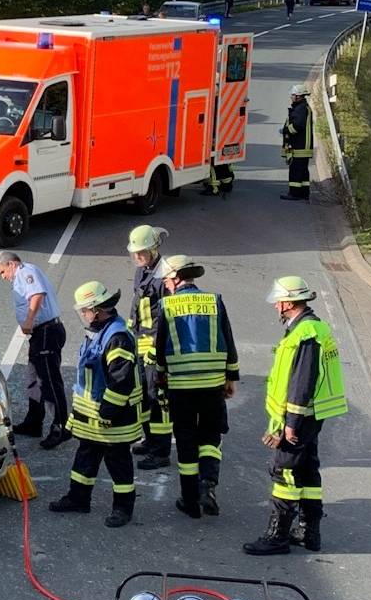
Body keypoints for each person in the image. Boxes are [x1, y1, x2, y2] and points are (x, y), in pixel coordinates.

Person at [243, 276, 347, 556]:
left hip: (301, 416)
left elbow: (301, 383)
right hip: (310, 415)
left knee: (285, 470)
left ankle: (277, 536)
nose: (276, 305)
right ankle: (309, 533)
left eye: (279, 301)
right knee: (306, 470)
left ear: (289, 302)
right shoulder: (311, 328)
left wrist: (291, 424)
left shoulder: (305, 334)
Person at [150, 254, 238, 518]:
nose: (165, 284)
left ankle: (190, 502)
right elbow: (228, 340)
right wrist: (230, 377)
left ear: (176, 278)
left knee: (186, 439)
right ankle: (208, 486)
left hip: (181, 386)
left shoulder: (167, 305)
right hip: (212, 384)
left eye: (166, 279)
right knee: (211, 436)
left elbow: (160, 346)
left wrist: (161, 375)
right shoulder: (214, 300)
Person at [48, 281, 142, 527]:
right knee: (85, 459)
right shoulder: (99, 331)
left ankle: (123, 509)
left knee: (118, 465)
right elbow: (87, 383)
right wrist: (73, 421)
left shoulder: (117, 337)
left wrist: (107, 413)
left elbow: (121, 381)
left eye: (84, 310)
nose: (82, 315)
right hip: (93, 420)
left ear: (96, 310)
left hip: (112, 420)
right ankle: (78, 499)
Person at [0, 251, 69, 450]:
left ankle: (61, 426)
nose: (4, 277)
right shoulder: (20, 276)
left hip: (47, 331)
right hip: (40, 334)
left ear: (11, 264)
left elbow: (37, 295)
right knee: (33, 380)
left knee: (49, 381)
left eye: (3, 272)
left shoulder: (25, 272)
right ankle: (34, 421)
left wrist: (28, 320)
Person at [124, 226, 172, 470]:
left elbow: (165, 318)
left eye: (141, 252)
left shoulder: (163, 276)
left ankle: (161, 451)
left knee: (157, 400)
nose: (137, 256)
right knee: (144, 397)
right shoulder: (142, 271)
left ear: (153, 249)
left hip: (154, 347)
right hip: (140, 343)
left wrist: (158, 350)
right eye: (135, 252)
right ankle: (150, 440)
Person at [281, 84, 313, 201]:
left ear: (298, 96)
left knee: (295, 170)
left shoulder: (300, 109)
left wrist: (285, 130)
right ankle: (304, 193)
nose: (291, 97)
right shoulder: (303, 107)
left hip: (299, 146)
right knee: (303, 171)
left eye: (293, 95)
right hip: (303, 146)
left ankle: (294, 193)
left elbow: (297, 126)